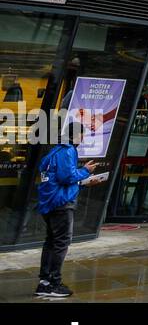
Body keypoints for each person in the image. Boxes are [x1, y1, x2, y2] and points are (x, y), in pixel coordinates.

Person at [35, 121, 106, 298]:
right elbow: (67, 177)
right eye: (81, 134)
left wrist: (84, 181)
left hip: (50, 203)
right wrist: (86, 171)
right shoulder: (68, 150)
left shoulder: (54, 151)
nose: (82, 138)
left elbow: (59, 180)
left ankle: (45, 281)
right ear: (75, 135)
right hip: (61, 205)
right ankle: (53, 282)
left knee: (51, 242)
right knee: (61, 243)